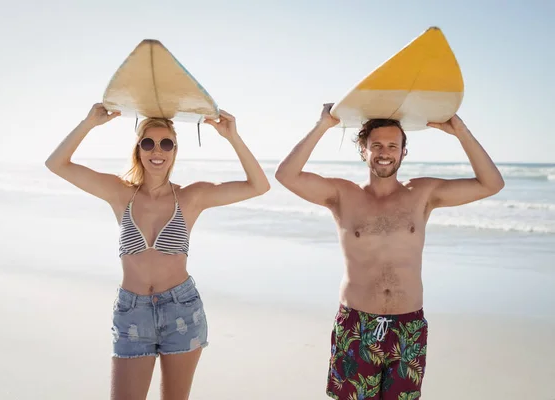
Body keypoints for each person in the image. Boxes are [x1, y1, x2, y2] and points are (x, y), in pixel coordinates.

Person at [274, 103, 504, 399]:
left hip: (408, 326)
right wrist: (323, 125)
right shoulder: (342, 194)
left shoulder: (423, 193)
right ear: (363, 151)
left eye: (393, 146)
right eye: (377, 145)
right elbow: (286, 175)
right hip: (357, 324)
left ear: (403, 152)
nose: (385, 152)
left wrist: (460, 131)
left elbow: (492, 184)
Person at [45, 103, 270, 400]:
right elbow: (56, 164)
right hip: (132, 311)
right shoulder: (119, 192)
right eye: (148, 143)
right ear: (138, 149)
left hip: (181, 309)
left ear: (175, 151)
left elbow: (259, 186)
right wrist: (89, 123)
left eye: (166, 144)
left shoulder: (192, 196)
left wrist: (233, 137)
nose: (157, 150)